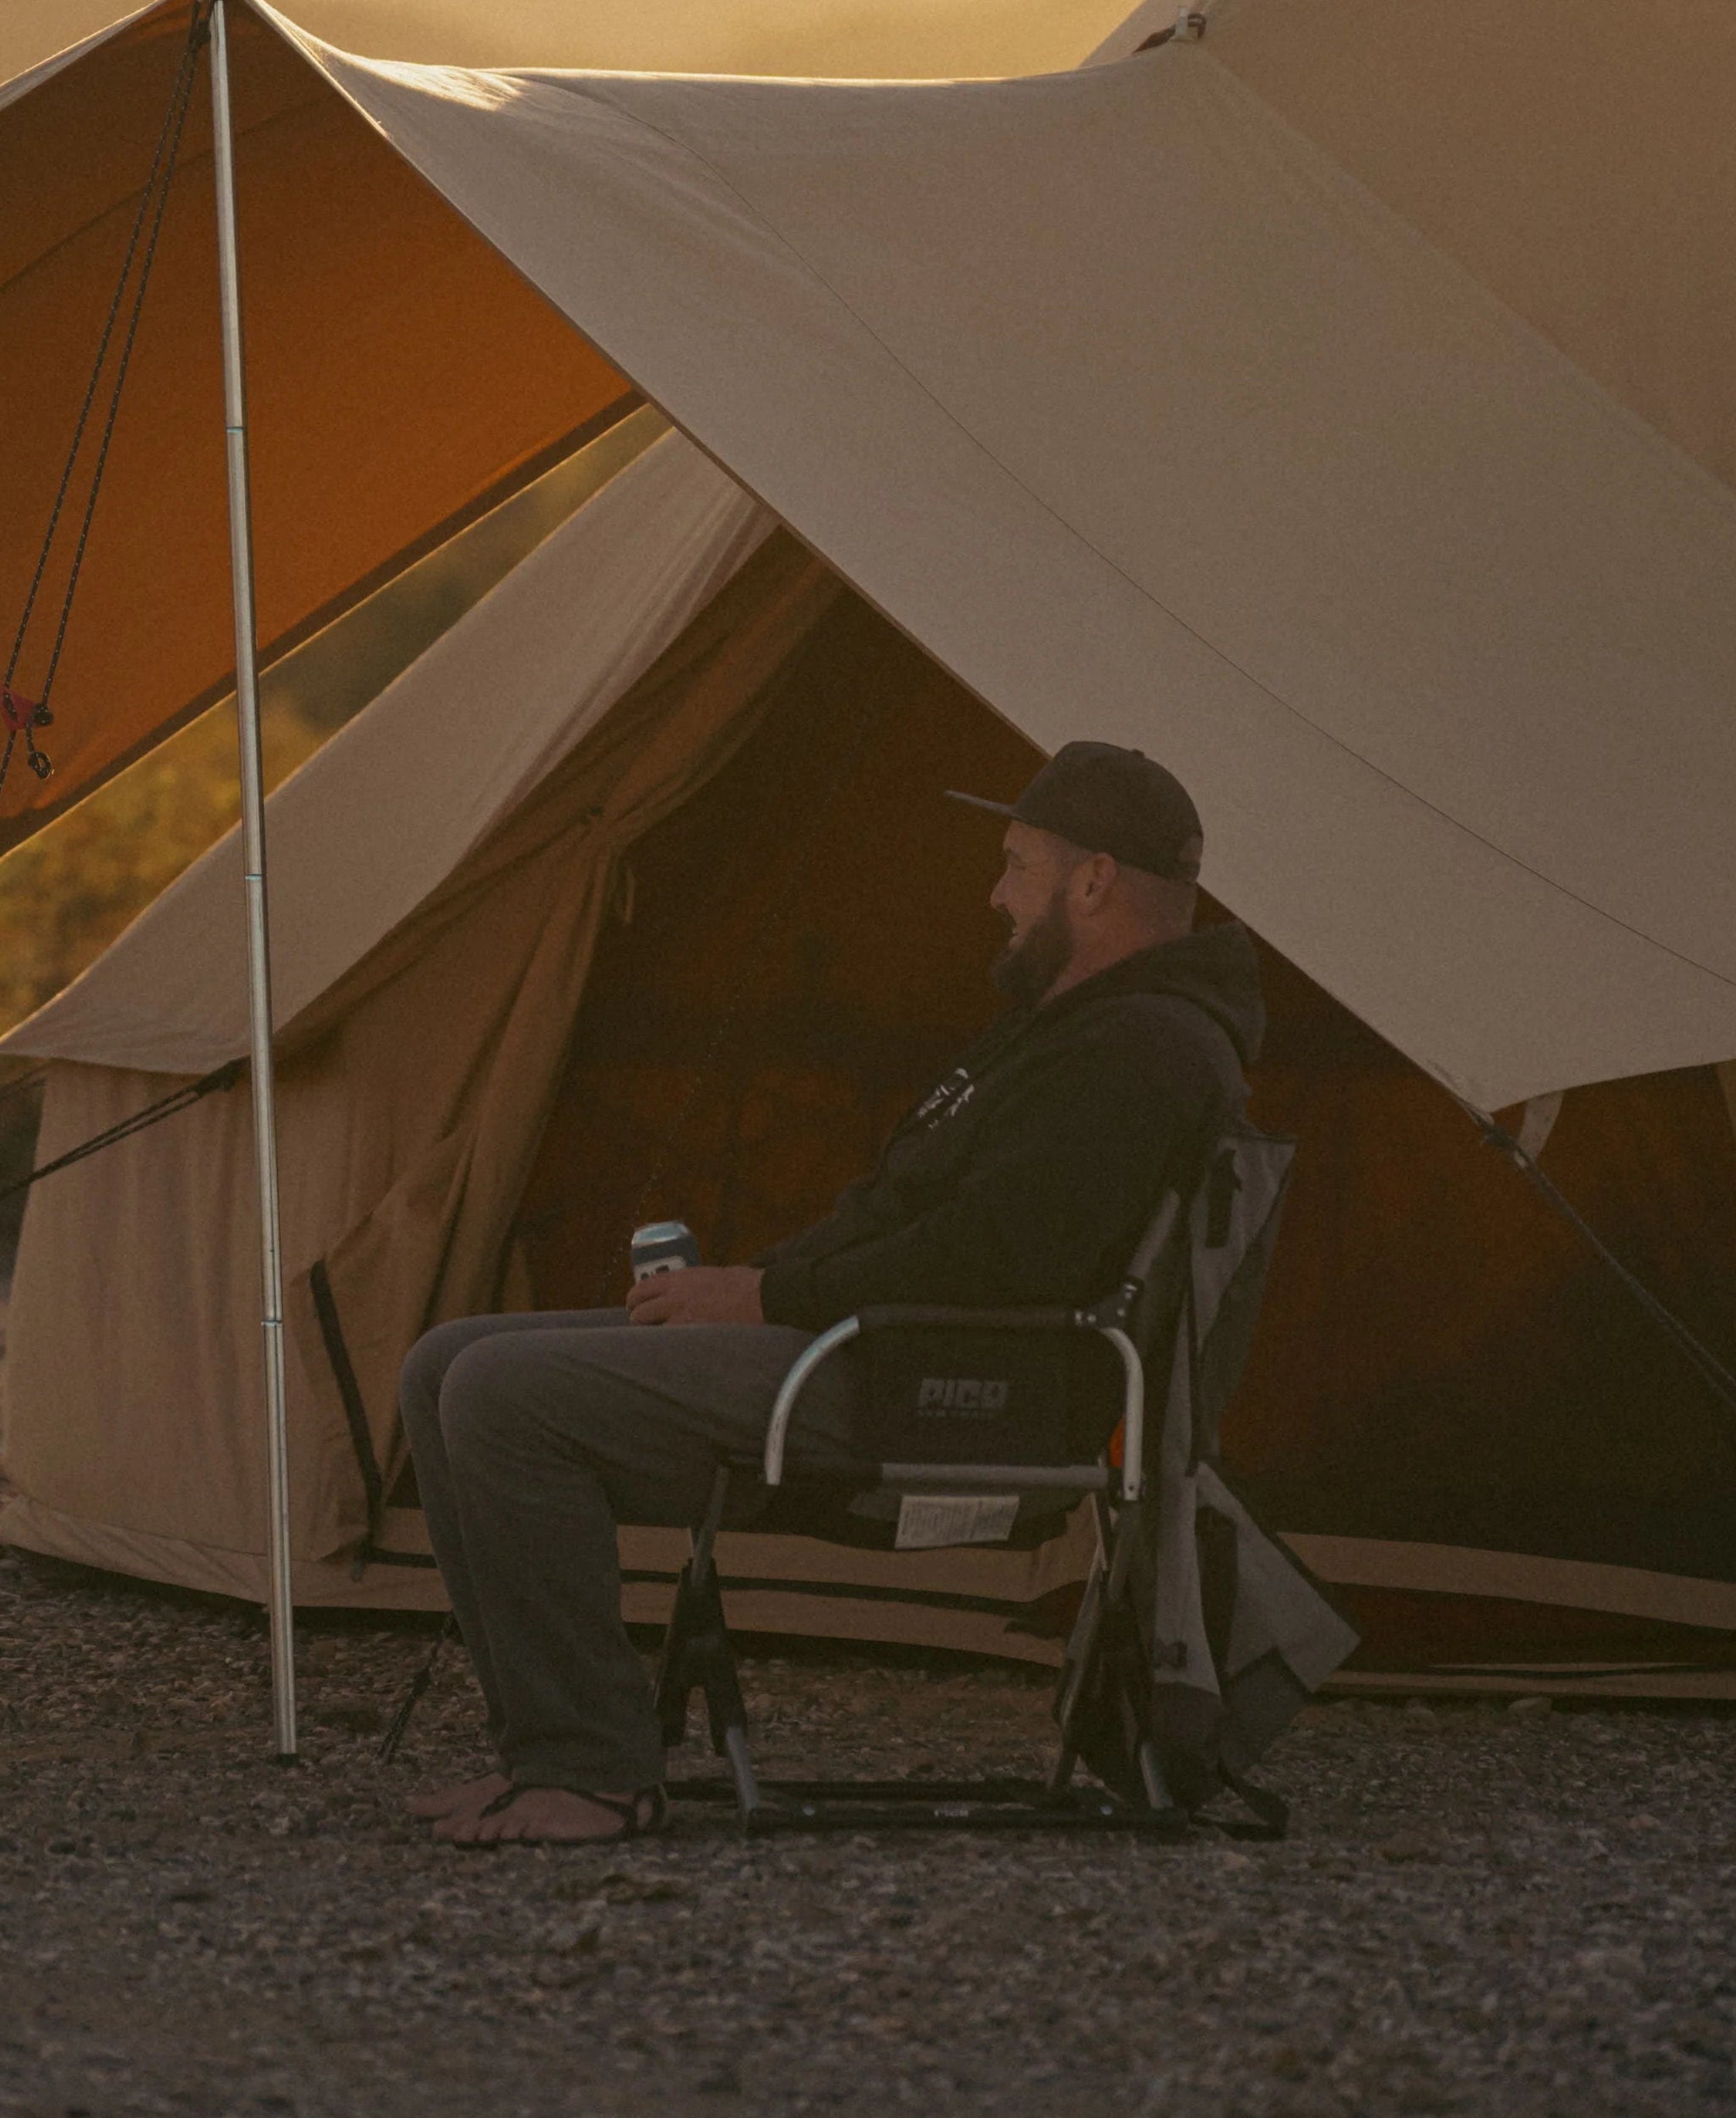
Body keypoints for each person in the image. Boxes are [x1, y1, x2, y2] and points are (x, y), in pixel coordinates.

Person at [401, 741, 1263, 1846]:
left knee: (501, 1395)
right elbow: (903, 1216)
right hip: (879, 1346)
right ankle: (544, 1754)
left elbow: (993, 1260)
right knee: (444, 1363)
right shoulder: (1078, 1027)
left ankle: (591, 1767)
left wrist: (771, 1298)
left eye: (1014, 864)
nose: (995, 894)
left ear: (1090, 881)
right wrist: (749, 1285)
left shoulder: (1144, 1050)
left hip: (944, 1388)